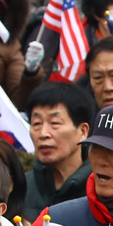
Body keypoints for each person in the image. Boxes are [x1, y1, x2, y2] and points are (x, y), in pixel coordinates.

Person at [25, 81, 96, 215]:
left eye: (54, 123)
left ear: (83, 131)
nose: (43, 133)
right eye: (37, 124)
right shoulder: (21, 187)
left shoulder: (101, 187)